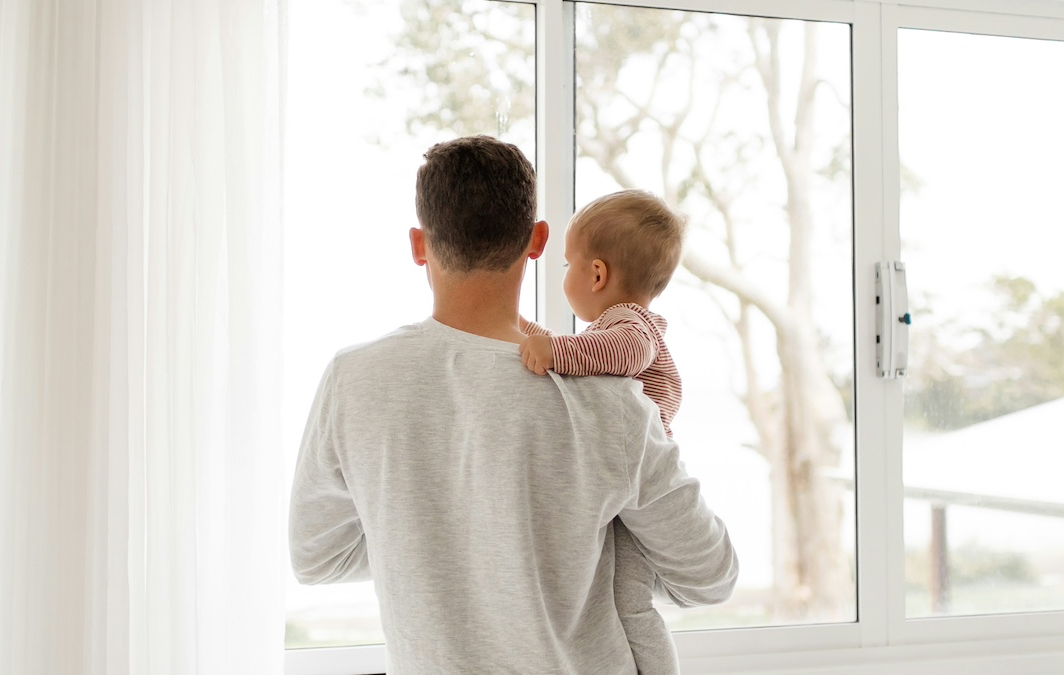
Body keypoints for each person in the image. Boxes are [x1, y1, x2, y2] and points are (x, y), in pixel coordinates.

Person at [288, 135, 738, 674]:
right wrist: (552, 548)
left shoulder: (353, 380)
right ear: (538, 240)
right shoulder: (608, 398)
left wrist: (428, 540)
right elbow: (711, 575)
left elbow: (317, 557)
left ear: (418, 245)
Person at [517, 189, 687, 674]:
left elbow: (618, 355)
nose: (564, 275)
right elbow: (573, 351)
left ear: (596, 274)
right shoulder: (607, 332)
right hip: (621, 485)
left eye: (567, 264)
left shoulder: (631, 326)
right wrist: (515, 327)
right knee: (614, 598)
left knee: (631, 603)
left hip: (640, 486)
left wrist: (555, 353)